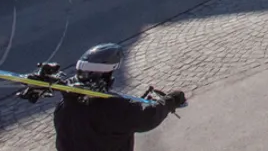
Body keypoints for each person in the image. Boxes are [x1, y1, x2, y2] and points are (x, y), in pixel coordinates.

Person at [53, 43, 185, 151]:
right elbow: (148, 116)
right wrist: (171, 101)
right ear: (104, 77)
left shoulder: (63, 107)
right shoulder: (115, 108)